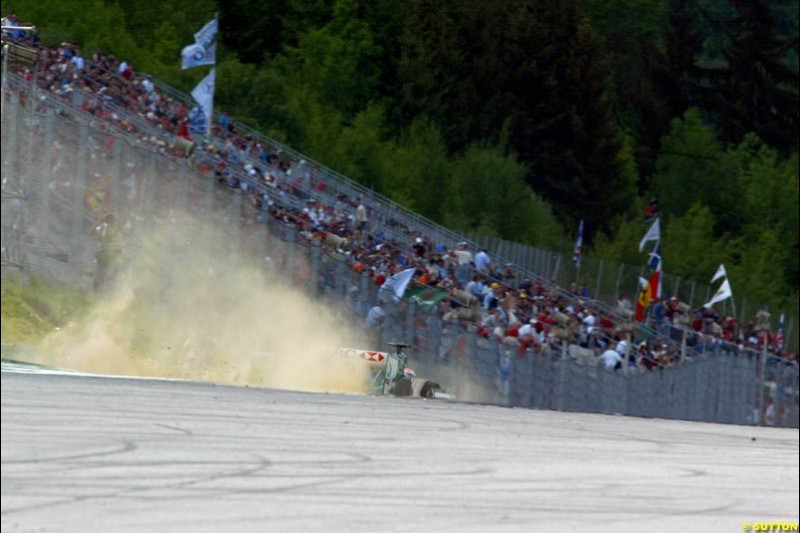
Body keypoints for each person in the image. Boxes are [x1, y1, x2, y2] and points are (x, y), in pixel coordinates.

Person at [93, 212, 123, 292]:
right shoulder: (117, 231)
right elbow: (119, 249)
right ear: (115, 221)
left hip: (102, 256)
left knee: (98, 279)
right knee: (109, 280)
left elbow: (92, 232)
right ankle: (106, 295)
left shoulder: (103, 228)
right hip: (110, 258)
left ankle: (97, 294)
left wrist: (99, 221)